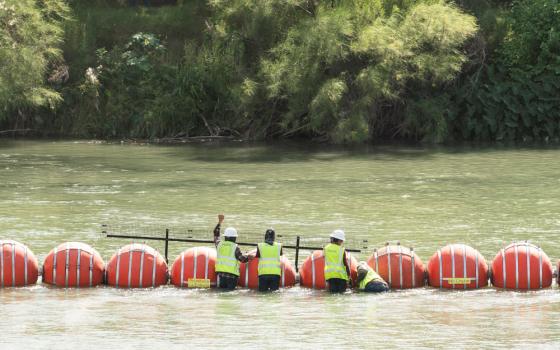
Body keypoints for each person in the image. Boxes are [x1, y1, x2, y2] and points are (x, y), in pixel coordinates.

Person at [213, 214, 249, 290]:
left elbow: (215, 234)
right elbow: (243, 260)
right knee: (229, 293)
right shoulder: (235, 247)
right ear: (234, 238)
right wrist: (248, 256)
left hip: (221, 274)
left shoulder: (219, 244)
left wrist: (220, 222)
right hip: (232, 277)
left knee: (221, 293)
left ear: (225, 236)